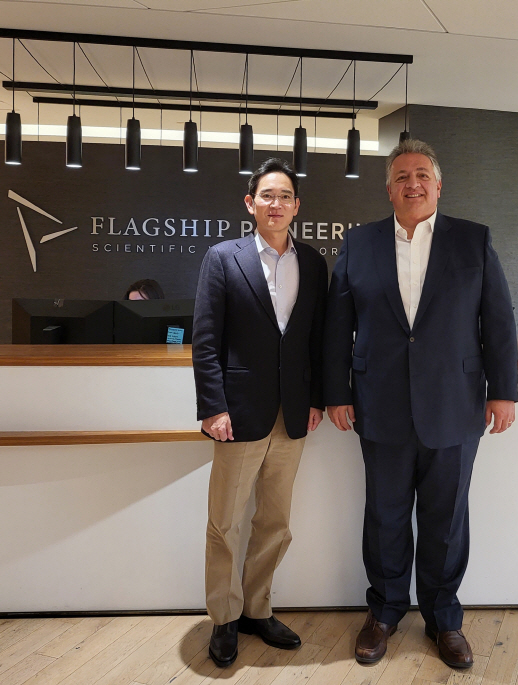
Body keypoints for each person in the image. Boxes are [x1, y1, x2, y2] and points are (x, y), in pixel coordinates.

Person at [323, 139, 518, 670]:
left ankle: (443, 619)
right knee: (384, 516)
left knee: (446, 518)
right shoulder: (359, 243)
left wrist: (503, 390)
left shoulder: (473, 240)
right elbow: (338, 325)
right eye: (402, 176)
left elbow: (498, 321)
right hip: (378, 404)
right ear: (388, 189)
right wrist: (336, 392)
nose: (413, 184)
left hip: (455, 404)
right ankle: (384, 612)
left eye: (422, 175)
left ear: (438, 185)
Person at [192, 158, 327, 668]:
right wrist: (213, 407)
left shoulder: (312, 262)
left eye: (285, 196)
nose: (276, 204)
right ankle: (224, 617)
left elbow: (316, 338)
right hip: (238, 414)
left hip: (293, 414)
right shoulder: (222, 258)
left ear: (297, 206)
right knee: (224, 522)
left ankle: (257, 608)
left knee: (275, 520)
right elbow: (206, 340)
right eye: (267, 195)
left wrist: (316, 399)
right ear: (250, 204)